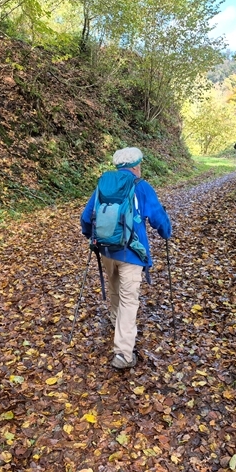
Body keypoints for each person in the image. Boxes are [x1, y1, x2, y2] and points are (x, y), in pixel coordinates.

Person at [81, 147, 171, 369]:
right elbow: (158, 217)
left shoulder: (104, 186)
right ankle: (123, 354)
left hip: (106, 250)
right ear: (136, 166)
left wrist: (92, 237)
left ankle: (116, 321)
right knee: (129, 300)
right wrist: (166, 233)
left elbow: (86, 217)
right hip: (132, 253)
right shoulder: (141, 186)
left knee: (115, 288)